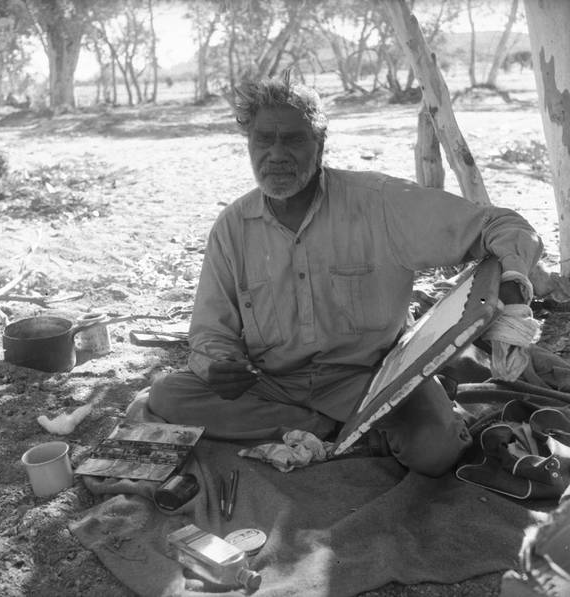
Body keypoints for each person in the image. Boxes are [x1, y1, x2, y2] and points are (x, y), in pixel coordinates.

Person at [145, 74, 543, 477]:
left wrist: (511, 281)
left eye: (294, 140)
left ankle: (345, 427)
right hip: (271, 383)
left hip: (373, 381)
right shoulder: (232, 227)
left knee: (436, 451)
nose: (276, 154)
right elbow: (211, 331)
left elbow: (502, 225)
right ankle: (336, 431)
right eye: (263, 140)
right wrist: (219, 363)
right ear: (248, 144)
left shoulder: (380, 203)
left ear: (320, 145)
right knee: (168, 395)